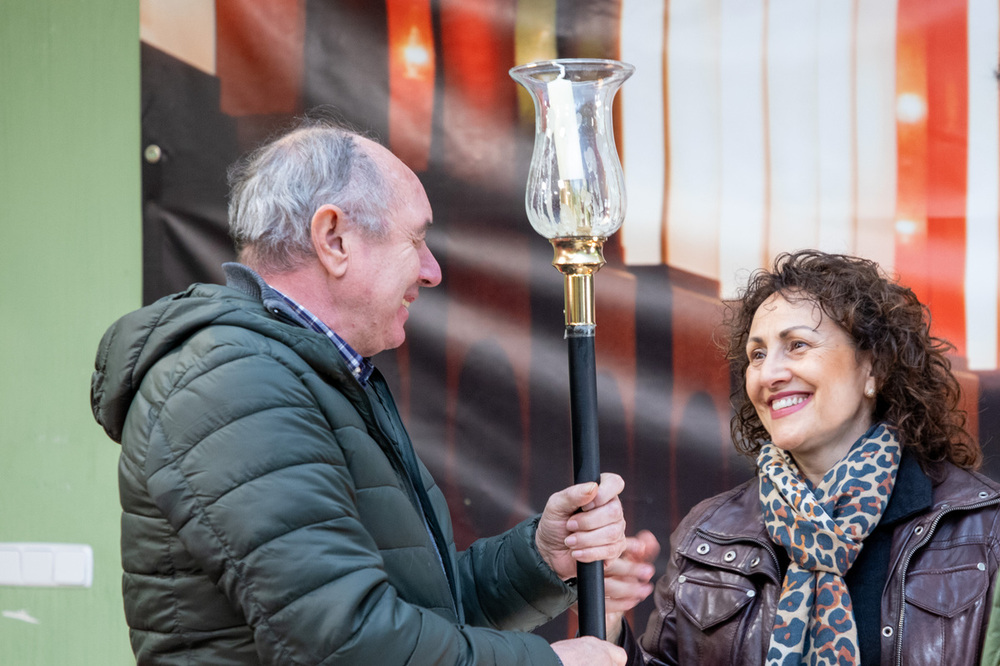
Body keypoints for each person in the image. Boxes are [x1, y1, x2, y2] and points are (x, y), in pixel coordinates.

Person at [90, 119, 654, 665]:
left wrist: (540, 557)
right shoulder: (232, 380)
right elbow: (346, 642)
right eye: (417, 238)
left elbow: (422, 611)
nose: (432, 271)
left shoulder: (301, 373)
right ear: (333, 238)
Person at [608, 250, 1000, 665]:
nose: (769, 373)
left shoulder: (984, 531)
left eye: (797, 345)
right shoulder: (708, 534)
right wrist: (610, 624)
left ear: (874, 369)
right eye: (757, 355)